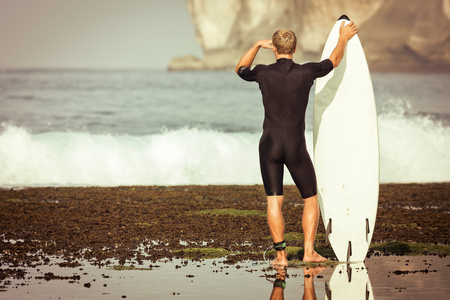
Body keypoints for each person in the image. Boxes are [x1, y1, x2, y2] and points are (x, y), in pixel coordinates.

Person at [235, 20, 358, 265]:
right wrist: (343, 37)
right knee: (310, 198)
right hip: (295, 147)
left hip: (269, 146)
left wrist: (257, 45)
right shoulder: (307, 72)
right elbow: (334, 60)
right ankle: (308, 251)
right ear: (296, 48)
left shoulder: (262, 72)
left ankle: (281, 256)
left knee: (274, 200)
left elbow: (240, 68)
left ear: (275, 48)